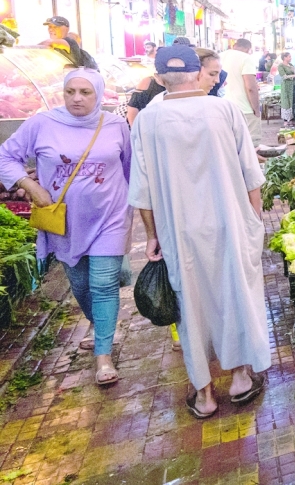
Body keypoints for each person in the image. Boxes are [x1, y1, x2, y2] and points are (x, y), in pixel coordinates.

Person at [128, 45, 270, 419]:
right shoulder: (222, 109)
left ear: (159, 78)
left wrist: (152, 235)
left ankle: (205, 394)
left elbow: (142, 190)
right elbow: (250, 170)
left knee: (189, 306)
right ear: (197, 73)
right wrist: (254, 215)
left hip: (179, 229)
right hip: (230, 220)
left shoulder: (147, 120)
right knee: (236, 291)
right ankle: (240, 377)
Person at [0, 68, 131, 386]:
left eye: (85, 92)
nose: (77, 98)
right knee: (81, 284)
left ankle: (103, 355)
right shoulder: (41, 124)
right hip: (63, 223)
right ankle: (99, 325)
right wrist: (31, 187)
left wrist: (134, 216)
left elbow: (129, 168)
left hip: (109, 218)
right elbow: (6, 157)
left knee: (102, 284)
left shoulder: (115, 125)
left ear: (98, 94)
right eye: (71, 91)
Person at [219, 38, 262, 147]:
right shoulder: (246, 58)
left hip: (223, 107)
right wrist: (256, 109)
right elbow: (250, 87)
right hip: (244, 109)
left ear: (235, 45)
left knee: (230, 145)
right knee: (251, 147)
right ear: (248, 49)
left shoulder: (219, 56)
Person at [277, 52, 295, 125]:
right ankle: (285, 120)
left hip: (292, 86)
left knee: (292, 101)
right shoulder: (281, 66)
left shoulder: (291, 65)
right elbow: (283, 76)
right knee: (286, 101)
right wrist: (293, 75)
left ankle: (291, 118)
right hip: (286, 86)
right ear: (284, 57)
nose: (290, 58)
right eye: (289, 57)